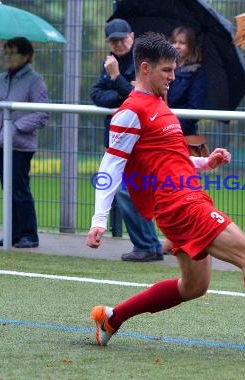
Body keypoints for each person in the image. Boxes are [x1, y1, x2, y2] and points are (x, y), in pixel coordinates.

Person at [87, 32, 245, 366]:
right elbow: (111, 167)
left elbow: (169, 160)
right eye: (166, 71)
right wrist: (99, 220)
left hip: (185, 200)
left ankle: (112, 318)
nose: (173, 77)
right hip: (181, 205)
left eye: (174, 70)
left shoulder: (160, 105)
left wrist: (204, 163)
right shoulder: (130, 112)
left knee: (193, 286)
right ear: (145, 69)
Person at [90, 18, 163, 262]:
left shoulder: (141, 63)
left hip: (140, 141)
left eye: (122, 39)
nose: (119, 44)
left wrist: (116, 77)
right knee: (131, 191)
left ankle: (147, 245)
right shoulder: (109, 62)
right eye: (114, 40)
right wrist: (120, 89)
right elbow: (97, 95)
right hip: (120, 138)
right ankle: (149, 245)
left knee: (128, 192)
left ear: (132, 37)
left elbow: (137, 96)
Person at [0, 37, 49, 249]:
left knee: (20, 189)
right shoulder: (1, 78)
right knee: (8, 189)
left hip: (20, 145)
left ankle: (29, 235)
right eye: (6, 52)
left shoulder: (35, 80)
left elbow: (43, 114)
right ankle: (11, 234)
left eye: (12, 53)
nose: (8, 57)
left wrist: (15, 127)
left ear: (26, 56)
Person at [167, 25, 207, 137]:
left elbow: (194, 111)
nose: (176, 46)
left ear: (190, 46)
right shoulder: (165, 69)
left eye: (182, 43)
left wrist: (171, 128)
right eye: (174, 42)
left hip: (182, 133)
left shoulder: (198, 74)